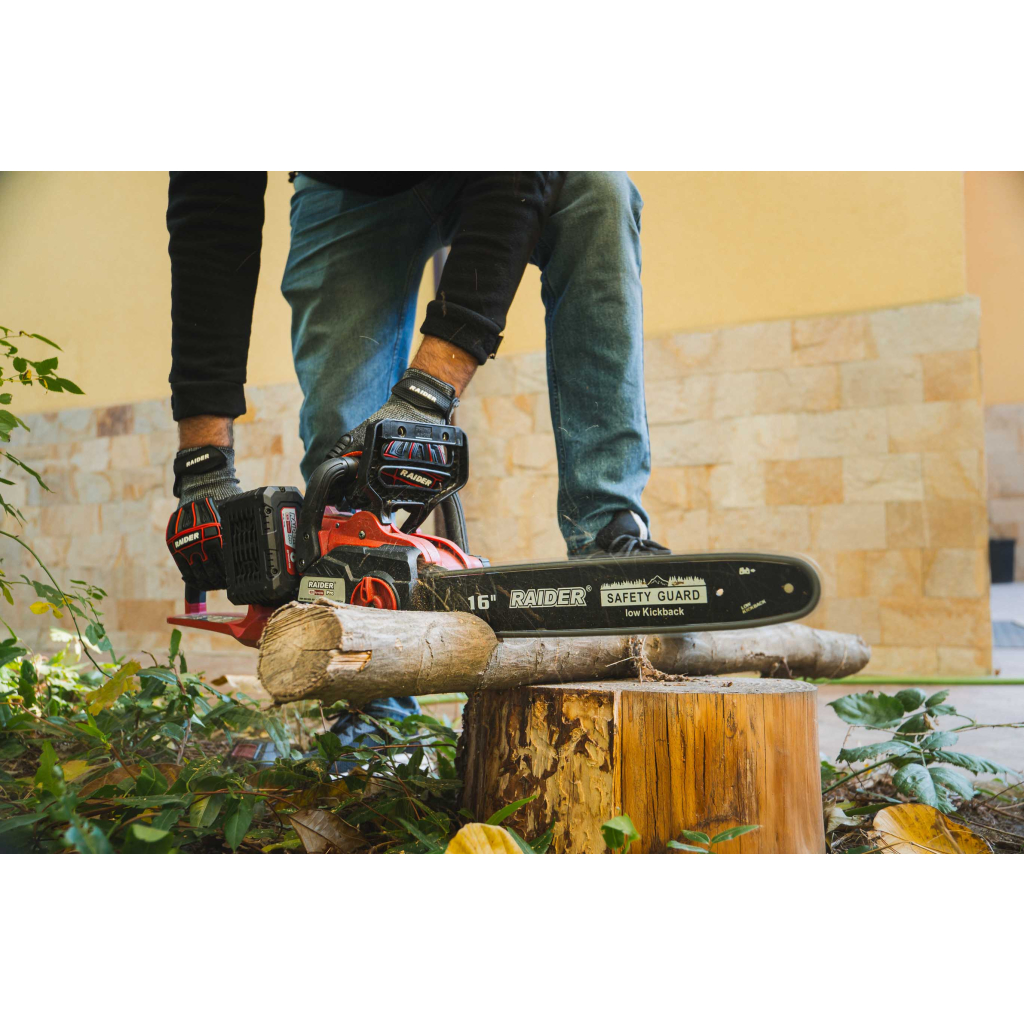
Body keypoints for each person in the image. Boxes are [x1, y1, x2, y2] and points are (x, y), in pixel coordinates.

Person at [166, 171, 667, 737]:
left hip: (498, 166)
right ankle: (371, 702)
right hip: (345, 188)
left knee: (598, 191)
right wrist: (203, 464)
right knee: (342, 454)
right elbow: (211, 211)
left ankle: (608, 532)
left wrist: (427, 394)